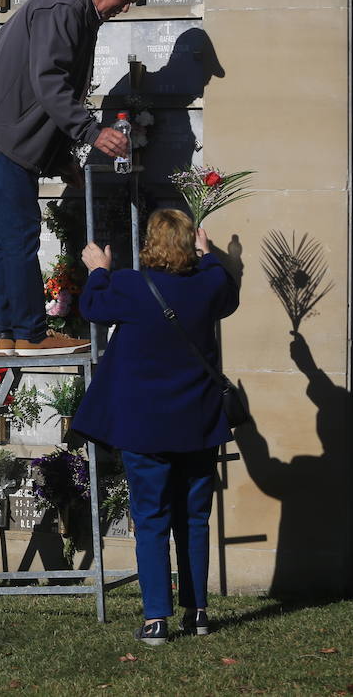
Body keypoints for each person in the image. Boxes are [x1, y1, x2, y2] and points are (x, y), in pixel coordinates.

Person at [0, 0, 153, 356]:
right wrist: (92, 133)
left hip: (0, 126)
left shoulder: (79, 10)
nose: (124, 9)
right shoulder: (64, 8)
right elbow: (49, 82)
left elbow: (49, 91)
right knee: (18, 232)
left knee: (1, 233)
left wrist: (61, 160)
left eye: (131, 3)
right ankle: (29, 333)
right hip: (4, 129)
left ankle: (9, 333)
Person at [71, 209, 240, 645]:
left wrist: (99, 269)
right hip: (198, 423)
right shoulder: (209, 284)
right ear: (189, 244)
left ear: (149, 243)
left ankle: (156, 619)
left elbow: (92, 306)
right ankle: (198, 612)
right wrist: (208, 253)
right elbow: (226, 289)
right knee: (195, 517)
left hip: (144, 428)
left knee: (151, 520)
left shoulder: (128, 285)